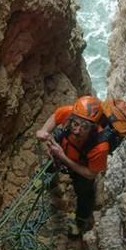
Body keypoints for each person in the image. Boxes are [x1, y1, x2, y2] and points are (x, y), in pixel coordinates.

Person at [35, 95, 110, 237]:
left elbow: (90, 174)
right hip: (65, 149)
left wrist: (63, 156)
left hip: (82, 168)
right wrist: (44, 131)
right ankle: (48, 178)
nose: (77, 130)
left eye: (84, 127)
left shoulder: (100, 147)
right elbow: (55, 116)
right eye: (75, 124)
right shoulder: (72, 113)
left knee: (84, 193)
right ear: (73, 118)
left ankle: (80, 222)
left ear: (93, 128)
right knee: (52, 153)